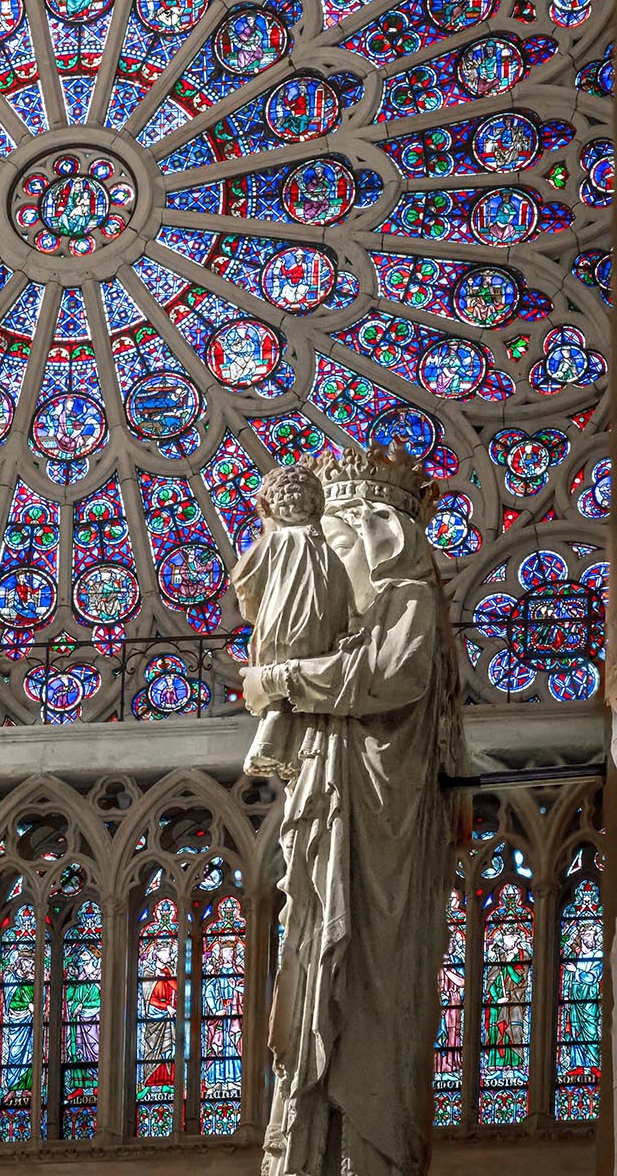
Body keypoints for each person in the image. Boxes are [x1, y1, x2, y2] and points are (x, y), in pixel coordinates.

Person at [242, 446, 467, 1176]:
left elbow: (389, 673)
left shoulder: (410, 603)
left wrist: (282, 678)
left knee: (373, 999)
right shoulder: (345, 621)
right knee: (314, 974)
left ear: (380, 542)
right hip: (330, 813)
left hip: (382, 834)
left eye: (338, 545)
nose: (328, 567)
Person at [231, 464, 352, 781]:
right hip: (319, 637)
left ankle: (270, 745)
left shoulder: (275, 543)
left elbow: (244, 581)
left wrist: (253, 611)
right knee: (298, 701)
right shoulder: (329, 554)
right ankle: (290, 750)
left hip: (280, 628)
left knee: (277, 702)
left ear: (264, 507)